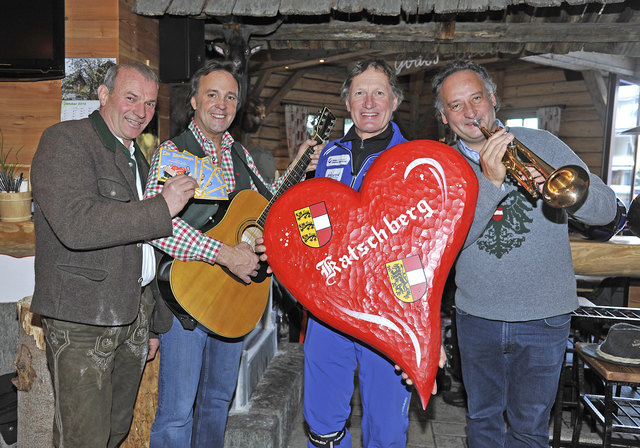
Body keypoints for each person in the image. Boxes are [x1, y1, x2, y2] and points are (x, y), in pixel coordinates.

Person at [431, 59, 618, 447]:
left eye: (476, 98)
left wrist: (566, 198)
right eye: (456, 105)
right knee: (482, 420)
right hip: (477, 316)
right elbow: (447, 246)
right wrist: (491, 184)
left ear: (493, 100)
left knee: (530, 429)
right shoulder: (442, 168)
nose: (470, 112)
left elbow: (606, 209)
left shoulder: (543, 143)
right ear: (445, 118)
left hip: (544, 317)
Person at [144, 60, 319, 448]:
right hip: (186, 301)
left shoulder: (240, 154)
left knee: (217, 402)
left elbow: (263, 207)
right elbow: (160, 225)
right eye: (212, 94)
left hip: (233, 299)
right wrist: (224, 254)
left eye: (230, 97)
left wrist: (300, 165)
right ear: (193, 101)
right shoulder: (174, 153)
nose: (221, 104)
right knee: (176, 415)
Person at [30, 61, 198, 448]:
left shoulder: (136, 156)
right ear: (104, 95)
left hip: (132, 317)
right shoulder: (65, 140)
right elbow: (77, 224)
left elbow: (145, 247)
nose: (141, 111)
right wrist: (162, 207)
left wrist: (153, 320)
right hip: (82, 319)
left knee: (116, 431)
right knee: (84, 439)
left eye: (151, 104)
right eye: (132, 98)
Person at [303, 58, 417, 448]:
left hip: (386, 307)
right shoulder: (326, 156)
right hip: (329, 304)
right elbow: (311, 222)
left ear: (394, 101)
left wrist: (411, 312)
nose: (369, 102)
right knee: (322, 420)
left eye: (379, 92)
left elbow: (419, 244)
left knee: (386, 425)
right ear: (347, 103)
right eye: (359, 93)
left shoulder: (414, 161)